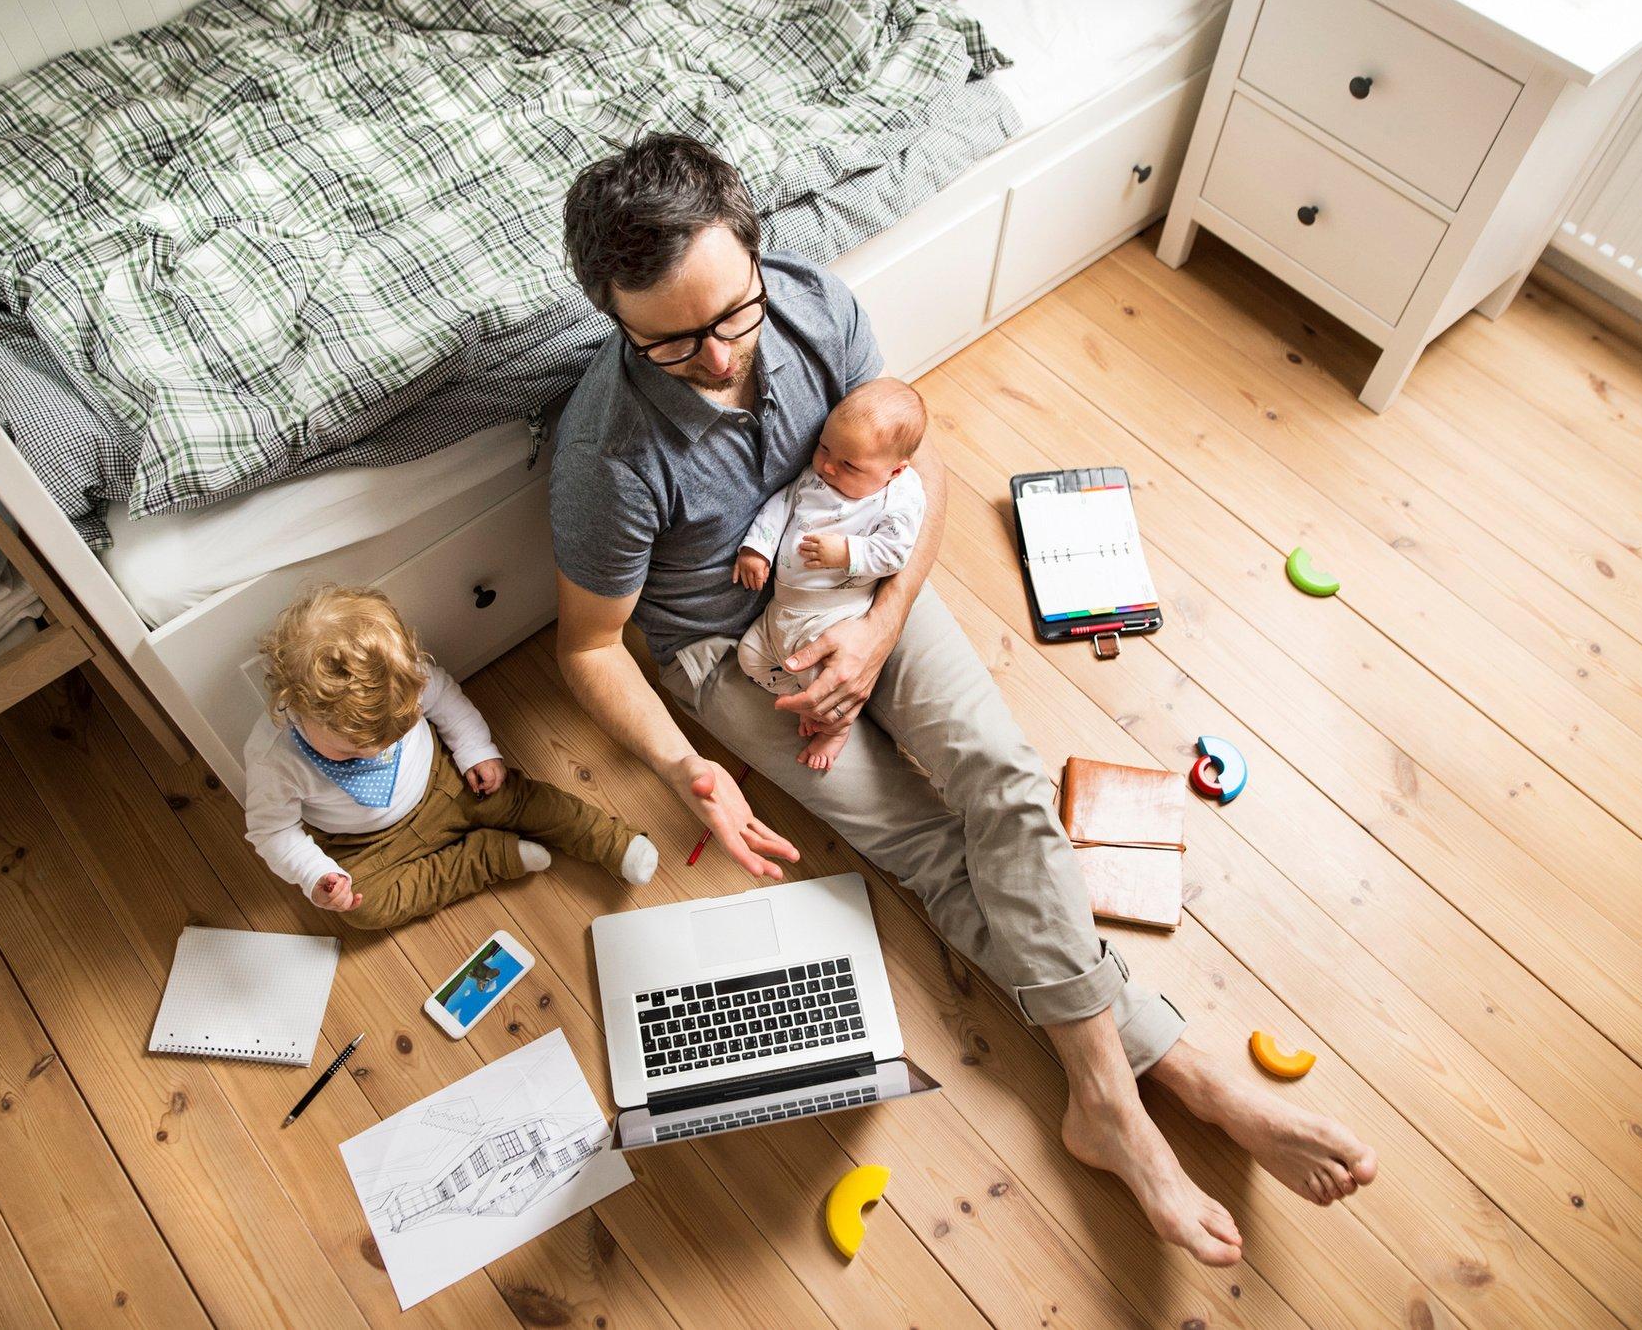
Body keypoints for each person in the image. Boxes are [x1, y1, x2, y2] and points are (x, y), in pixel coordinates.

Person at [547, 133, 1376, 1265]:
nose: (714, 355)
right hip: (732, 647)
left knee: (1005, 779)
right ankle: (1158, 1077)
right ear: (612, 315)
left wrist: (879, 628)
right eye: (669, 339)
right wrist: (685, 765)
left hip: (856, 574)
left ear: (754, 255)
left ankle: (1114, 1098)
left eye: (729, 314)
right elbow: (592, 646)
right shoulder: (606, 452)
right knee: (927, 845)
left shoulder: (809, 305)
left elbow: (919, 465)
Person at [243, 584, 657, 927]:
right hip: (366, 842)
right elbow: (273, 832)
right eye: (354, 751)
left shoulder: (403, 675)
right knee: (364, 908)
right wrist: (318, 876)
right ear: (296, 705)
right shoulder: (273, 758)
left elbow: (448, 704)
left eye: (397, 734)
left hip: (449, 781)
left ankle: (611, 841)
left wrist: (476, 751)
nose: (383, 751)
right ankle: (487, 858)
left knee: (524, 799)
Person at [733, 377, 929, 769]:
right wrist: (757, 547)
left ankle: (836, 727)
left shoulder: (900, 498)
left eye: (849, 465)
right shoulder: (817, 474)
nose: (826, 465)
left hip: (832, 614)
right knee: (749, 656)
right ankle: (806, 697)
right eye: (824, 447)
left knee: (826, 675)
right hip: (782, 608)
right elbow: (782, 504)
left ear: (894, 471)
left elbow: (895, 553)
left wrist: (847, 552)